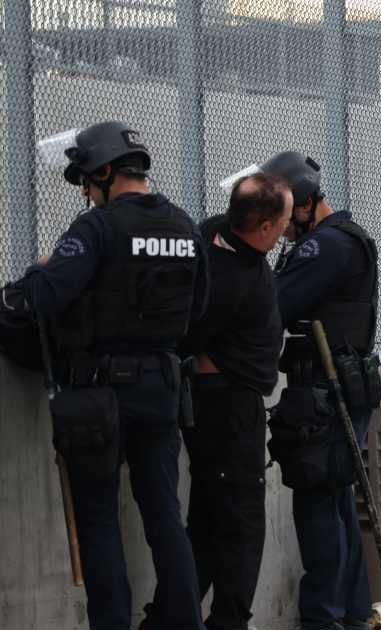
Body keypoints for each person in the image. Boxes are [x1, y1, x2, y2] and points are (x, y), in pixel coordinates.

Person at [6, 120, 208, 629]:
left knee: (98, 519)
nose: (86, 194)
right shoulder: (185, 226)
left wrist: (36, 272)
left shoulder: (97, 228)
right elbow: (199, 309)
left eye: (87, 183)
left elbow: (42, 297)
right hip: (162, 386)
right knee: (164, 514)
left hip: (100, 392)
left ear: (106, 174)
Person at [149, 173, 290, 630]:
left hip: (214, 400)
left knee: (209, 521)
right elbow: (194, 331)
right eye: (285, 219)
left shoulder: (210, 234)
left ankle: (171, 619)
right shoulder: (238, 277)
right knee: (241, 524)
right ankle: (225, 621)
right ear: (265, 227)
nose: (288, 229)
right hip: (228, 407)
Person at [268, 151, 381, 630]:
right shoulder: (345, 239)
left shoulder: (325, 246)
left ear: (305, 202)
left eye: (283, 213)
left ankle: (324, 616)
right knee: (336, 499)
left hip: (325, 390)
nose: (280, 226)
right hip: (337, 386)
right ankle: (350, 612)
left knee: (318, 500)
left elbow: (275, 301)